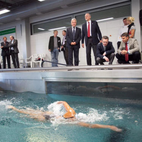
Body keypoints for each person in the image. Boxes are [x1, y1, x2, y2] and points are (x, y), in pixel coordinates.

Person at [8, 101, 122, 132]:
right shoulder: (70, 117)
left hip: (50, 117)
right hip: (51, 117)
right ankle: (15, 109)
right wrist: (62, 102)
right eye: (72, 118)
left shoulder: (74, 116)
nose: (73, 119)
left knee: (33, 113)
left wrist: (109, 126)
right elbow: (91, 125)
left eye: (73, 117)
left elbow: (91, 125)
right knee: (32, 113)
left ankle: (15, 108)